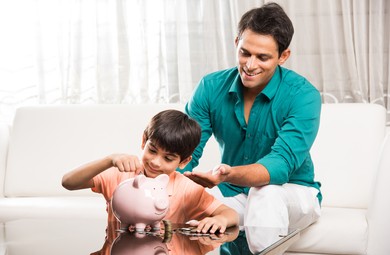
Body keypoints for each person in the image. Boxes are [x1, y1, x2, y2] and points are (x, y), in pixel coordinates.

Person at [181, 2, 322, 229]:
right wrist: (163, 186)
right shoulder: (209, 87)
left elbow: (279, 166)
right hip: (235, 192)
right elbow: (184, 149)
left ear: (283, 56)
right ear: (236, 43)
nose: (250, 64)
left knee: (265, 196)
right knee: (184, 207)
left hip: (291, 191)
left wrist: (227, 174)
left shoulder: (304, 96)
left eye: (262, 57)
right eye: (245, 53)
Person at [62, 109, 239, 234]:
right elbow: (68, 182)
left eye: (168, 158)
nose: (155, 162)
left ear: (184, 162)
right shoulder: (119, 174)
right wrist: (109, 160)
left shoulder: (186, 188)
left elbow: (231, 214)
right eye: (152, 150)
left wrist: (220, 220)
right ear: (143, 141)